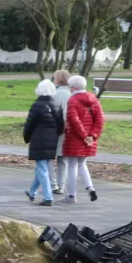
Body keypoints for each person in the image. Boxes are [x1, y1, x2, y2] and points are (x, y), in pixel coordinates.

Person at [61, 74, 103, 203]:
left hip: (75, 137)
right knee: (82, 164)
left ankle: (72, 195)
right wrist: (92, 136)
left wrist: (84, 136)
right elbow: (100, 120)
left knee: (72, 166)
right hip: (89, 139)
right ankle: (90, 187)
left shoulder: (73, 100)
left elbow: (74, 120)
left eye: (70, 87)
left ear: (74, 87)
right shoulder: (94, 99)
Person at [23, 80, 64, 206]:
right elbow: (61, 125)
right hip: (52, 139)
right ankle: (32, 192)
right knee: (42, 168)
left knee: (41, 168)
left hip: (39, 139)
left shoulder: (37, 105)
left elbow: (30, 123)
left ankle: (48, 197)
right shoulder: (57, 104)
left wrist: (26, 137)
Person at [50, 69, 73, 197]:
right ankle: (61, 185)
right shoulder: (71, 93)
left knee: (50, 158)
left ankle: (54, 184)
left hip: (58, 129)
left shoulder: (57, 94)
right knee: (62, 159)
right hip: (68, 129)